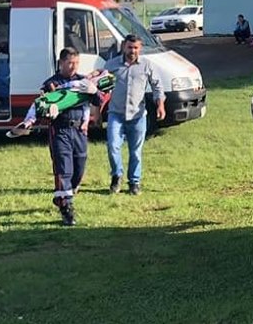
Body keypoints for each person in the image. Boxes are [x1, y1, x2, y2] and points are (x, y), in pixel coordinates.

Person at [104, 34, 165, 195]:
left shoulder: (147, 65)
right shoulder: (112, 65)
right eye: (130, 47)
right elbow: (101, 87)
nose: (132, 51)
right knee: (112, 146)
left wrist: (160, 106)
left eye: (136, 48)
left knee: (135, 151)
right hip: (116, 114)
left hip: (137, 115)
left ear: (140, 48)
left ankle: (134, 182)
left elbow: (158, 86)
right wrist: (96, 109)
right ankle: (116, 176)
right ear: (124, 46)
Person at [41, 47, 92, 226]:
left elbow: (99, 100)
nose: (73, 66)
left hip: (79, 131)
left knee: (79, 168)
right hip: (60, 130)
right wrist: (49, 110)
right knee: (64, 170)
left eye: (76, 63)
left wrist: (94, 92)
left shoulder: (83, 81)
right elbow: (41, 108)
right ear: (61, 63)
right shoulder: (51, 83)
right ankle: (67, 210)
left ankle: (64, 196)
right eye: (70, 63)